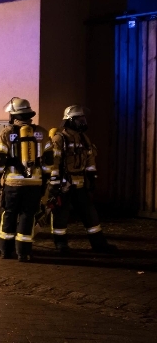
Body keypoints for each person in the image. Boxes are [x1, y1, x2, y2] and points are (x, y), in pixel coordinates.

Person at [0, 97, 54, 262]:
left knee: (9, 214)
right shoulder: (43, 133)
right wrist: (45, 180)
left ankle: (6, 251)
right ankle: (23, 253)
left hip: (13, 184)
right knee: (28, 216)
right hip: (34, 184)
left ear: (13, 115)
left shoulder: (6, 133)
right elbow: (49, 161)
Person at [48, 105, 117, 254]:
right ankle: (61, 245)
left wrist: (92, 176)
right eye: (79, 119)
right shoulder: (60, 139)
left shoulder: (84, 138)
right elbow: (54, 163)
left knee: (90, 214)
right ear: (69, 120)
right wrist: (54, 184)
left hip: (80, 184)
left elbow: (90, 158)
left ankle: (99, 244)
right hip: (64, 185)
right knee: (61, 215)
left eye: (83, 118)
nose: (82, 121)